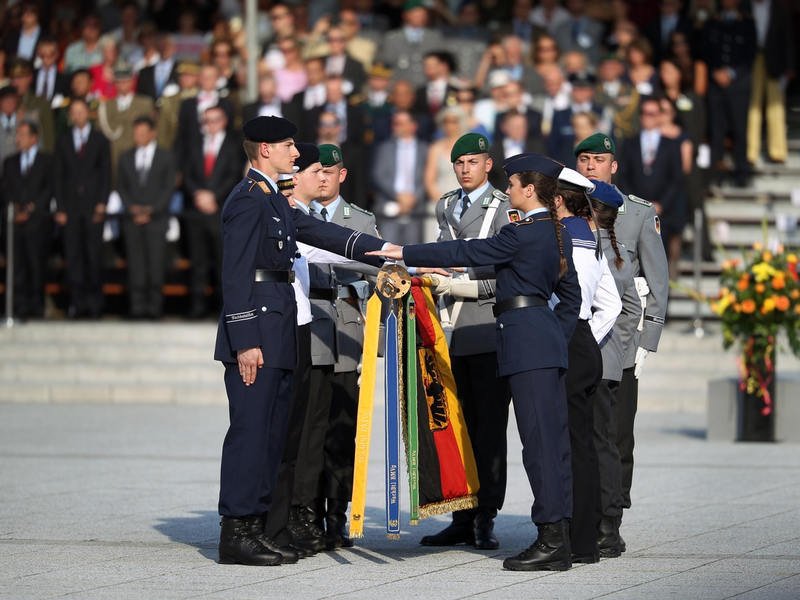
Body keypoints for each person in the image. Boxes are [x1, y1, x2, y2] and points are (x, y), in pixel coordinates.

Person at [373, 153, 582, 571]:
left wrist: (403, 250)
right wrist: (552, 337)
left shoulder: (522, 233)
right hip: (539, 338)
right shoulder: (555, 232)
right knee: (550, 443)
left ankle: (552, 540)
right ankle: (557, 534)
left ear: (530, 190)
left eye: (513, 184)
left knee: (540, 446)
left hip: (526, 339)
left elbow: (468, 249)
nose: (508, 190)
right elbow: (571, 296)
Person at [213, 115, 386, 566]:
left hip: (281, 330)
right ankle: (237, 530)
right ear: (265, 149)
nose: (296, 152)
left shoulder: (274, 199)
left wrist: (395, 254)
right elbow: (236, 274)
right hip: (258, 334)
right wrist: (245, 339)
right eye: (289, 145)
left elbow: (326, 235)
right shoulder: (248, 199)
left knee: (272, 436)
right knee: (251, 433)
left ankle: (259, 527)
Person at [574, 132, 669, 554]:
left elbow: (656, 279)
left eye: (598, 159)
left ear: (613, 166)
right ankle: (594, 511)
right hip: (582, 337)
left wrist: (648, 339)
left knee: (617, 434)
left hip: (622, 340)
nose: (590, 166)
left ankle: (613, 515)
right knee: (590, 432)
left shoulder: (637, 213)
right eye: (584, 159)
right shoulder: (567, 208)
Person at [419, 133, 515, 551]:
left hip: (486, 327)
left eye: (472, 162)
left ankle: (485, 515)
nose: (464, 169)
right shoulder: (446, 204)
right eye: (459, 163)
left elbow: (505, 269)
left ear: (488, 165)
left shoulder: (504, 207)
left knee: (488, 428)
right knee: (455, 427)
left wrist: (460, 283)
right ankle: (461, 513)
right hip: (449, 332)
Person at [310, 144, 380, 549]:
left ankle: (337, 514)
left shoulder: (362, 220)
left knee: (343, 428)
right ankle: (307, 511)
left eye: (329, 171)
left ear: (342, 175)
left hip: (349, 331)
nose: (322, 178)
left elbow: (380, 277)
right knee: (311, 427)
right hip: (312, 327)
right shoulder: (297, 213)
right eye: (316, 171)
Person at [555, 167, 622, 564]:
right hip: (584, 346)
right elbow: (611, 304)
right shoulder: (591, 241)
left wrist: (572, 336)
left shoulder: (566, 238)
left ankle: (570, 534)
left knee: (567, 446)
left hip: (566, 343)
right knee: (583, 446)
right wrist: (586, 336)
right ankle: (587, 536)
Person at [581, 180, 641, 559]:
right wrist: (618, 348)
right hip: (609, 361)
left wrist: (602, 344)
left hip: (593, 361)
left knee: (597, 443)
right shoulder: (617, 252)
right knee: (603, 441)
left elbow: (622, 307)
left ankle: (605, 525)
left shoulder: (591, 249)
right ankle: (606, 523)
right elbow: (633, 308)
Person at [182, 104, 245, 319]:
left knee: (222, 262)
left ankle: (222, 307)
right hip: (196, 211)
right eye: (207, 121)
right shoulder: (194, 145)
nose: (210, 125)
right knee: (198, 262)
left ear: (224, 121)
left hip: (221, 211)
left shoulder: (233, 146)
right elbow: (187, 174)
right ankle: (197, 306)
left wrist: (214, 196)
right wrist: (198, 195)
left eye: (215, 120)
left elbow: (233, 175)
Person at [53, 97, 111, 319]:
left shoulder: (100, 140)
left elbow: (106, 173)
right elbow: (58, 175)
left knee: (93, 256)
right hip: (70, 208)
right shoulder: (63, 141)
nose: (78, 115)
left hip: (93, 207)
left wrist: (102, 203)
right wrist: (60, 207)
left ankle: (95, 304)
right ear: (70, 115)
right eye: (74, 112)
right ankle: (77, 304)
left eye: (81, 111)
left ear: (89, 113)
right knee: (74, 257)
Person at [617, 97, 686, 282]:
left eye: (652, 114)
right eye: (645, 113)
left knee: (659, 264)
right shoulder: (629, 143)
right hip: (635, 213)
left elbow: (676, 179)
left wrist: (662, 204)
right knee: (634, 263)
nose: (648, 117)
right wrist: (634, 204)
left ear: (659, 116)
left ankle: (661, 301)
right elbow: (623, 175)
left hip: (662, 214)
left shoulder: (672, 144)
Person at [116, 116, 176, 319]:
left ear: (153, 133)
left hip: (156, 221)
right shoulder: (125, 157)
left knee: (155, 264)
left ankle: (154, 308)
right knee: (135, 265)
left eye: (142, 133)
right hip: (132, 221)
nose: (138, 137)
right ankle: (137, 307)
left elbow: (168, 188)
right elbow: (121, 187)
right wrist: (132, 208)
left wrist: (151, 210)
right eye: (136, 133)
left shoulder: (166, 157)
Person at [699, 0, 756, 187]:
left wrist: (731, 73)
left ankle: (742, 172)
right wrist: (715, 72)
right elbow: (705, 51)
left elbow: (750, 54)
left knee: (740, 129)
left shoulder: (747, 23)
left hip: (739, 85)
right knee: (717, 130)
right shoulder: (712, 23)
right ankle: (717, 172)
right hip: (716, 84)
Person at [0, 120, 53, 319]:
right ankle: (19, 306)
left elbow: (49, 188)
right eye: (17, 134)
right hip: (14, 224)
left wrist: (32, 208)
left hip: (37, 223)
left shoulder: (46, 161)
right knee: (17, 267)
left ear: (34, 138)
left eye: (22, 135)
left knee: (36, 267)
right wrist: (15, 208)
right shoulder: (10, 162)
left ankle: (37, 307)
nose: (18, 139)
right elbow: (5, 189)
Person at [370, 110, 429, 245]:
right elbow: (379, 175)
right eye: (394, 123)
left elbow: (427, 177)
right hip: (389, 206)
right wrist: (398, 196)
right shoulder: (384, 147)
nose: (395, 127)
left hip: (415, 209)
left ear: (413, 126)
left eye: (400, 123)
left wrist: (413, 198)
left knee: (412, 252)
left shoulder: (424, 148)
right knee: (387, 251)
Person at [747, 0, 794, 166]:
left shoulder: (780, 8)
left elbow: (788, 37)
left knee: (776, 106)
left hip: (776, 61)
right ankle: (750, 152)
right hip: (752, 60)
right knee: (752, 106)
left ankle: (778, 151)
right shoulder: (746, 6)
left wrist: (790, 66)